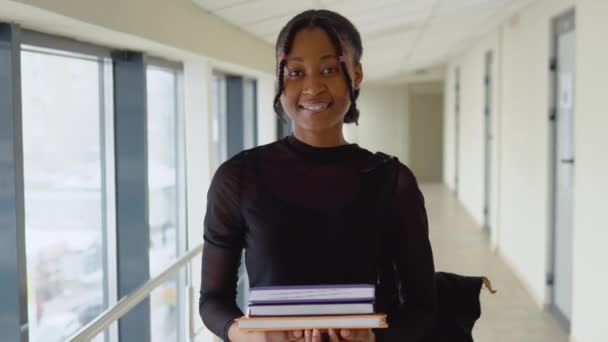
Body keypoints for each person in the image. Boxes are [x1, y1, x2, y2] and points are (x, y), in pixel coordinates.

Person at [199, 9, 437, 342]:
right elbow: (213, 301)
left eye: (328, 69)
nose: (312, 87)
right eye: (296, 71)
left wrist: (372, 339)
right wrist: (248, 334)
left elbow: (424, 308)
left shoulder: (392, 181)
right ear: (280, 79)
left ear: (355, 76)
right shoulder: (238, 178)